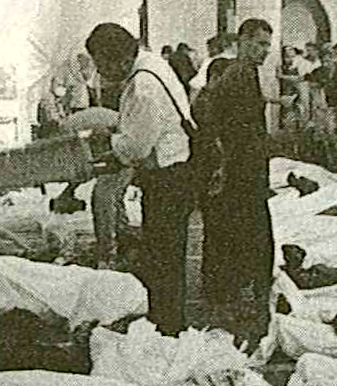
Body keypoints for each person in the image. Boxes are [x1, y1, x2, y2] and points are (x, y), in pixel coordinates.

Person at [86, 23, 194, 336]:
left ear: (119, 59)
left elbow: (136, 147)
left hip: (167, 177)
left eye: (101, 64)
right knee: (164, 254)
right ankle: (165, 320)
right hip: (174, 170)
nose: (100, 72)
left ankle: (167, 327)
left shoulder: (142, 86)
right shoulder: (151, 64)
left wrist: (110, 143)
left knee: (163, 257)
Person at [201, 18, 281, 346]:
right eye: (259, 44)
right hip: (240, 173)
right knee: (243, 236)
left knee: (242, 236)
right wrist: (225, 165)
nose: (265, 51)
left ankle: (235, 298)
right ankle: (233, 302)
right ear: (243, 41)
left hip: (245, 170)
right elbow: (224, 126)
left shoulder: (245, 74)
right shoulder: (237, 75)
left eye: (267, 45)